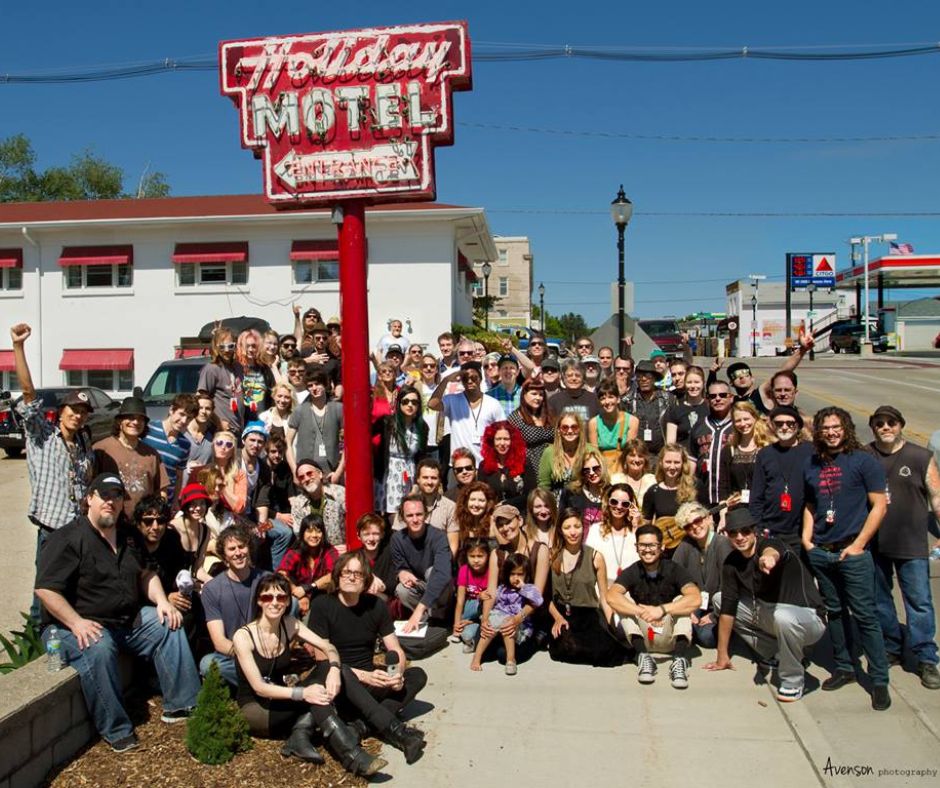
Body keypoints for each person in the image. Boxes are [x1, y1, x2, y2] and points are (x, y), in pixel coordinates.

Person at [35, 473, 200, 752]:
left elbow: (146, 574)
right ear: (89, 499)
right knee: (98, 647)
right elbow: (46, 589)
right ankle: (116, 729)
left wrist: (161, 601)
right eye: (104, 496)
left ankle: (182, 704)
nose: (111, 502)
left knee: (167, 623)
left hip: (125, 621)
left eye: (117, 496)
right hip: (69, 626)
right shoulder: (67, 538)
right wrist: (76, 623)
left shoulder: (128, 537)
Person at [233, 574, 387, 776]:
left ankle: (300, 738)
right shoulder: (243, 636)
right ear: (258, 601)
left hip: (282, 698)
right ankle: (353, 756)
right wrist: (303, 693)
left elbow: (327, 646)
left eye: (281, 598)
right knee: (315, 698)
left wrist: (333, 669)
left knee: (330, 672)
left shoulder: (289, 624)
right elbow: (259, 687)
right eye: (267, 597)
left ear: (288, 601)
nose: (274, 602)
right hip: (257, 708)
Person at [802, 406, 891, 710]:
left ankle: (879, 680)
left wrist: (859, 544)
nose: (830, 432)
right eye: (825, 427)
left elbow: (879, 506)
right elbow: (811, 504)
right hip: (822, 551)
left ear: (846, 428)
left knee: (865, 615)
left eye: (836, 427)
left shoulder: (864, 461)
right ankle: (844, 667)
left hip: (852, 552)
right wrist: (807, 539)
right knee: (835, 612)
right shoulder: (812, 463)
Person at [10, 323, 96, 623]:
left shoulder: (85, 447)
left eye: (83, 412)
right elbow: (29, 393)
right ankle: (37, 650)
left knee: (72, 591)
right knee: (45, 593)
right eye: (72, 409)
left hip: (78, 529)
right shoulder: (42, 436)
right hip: (51, 529)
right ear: (60, 412)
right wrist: (18, 347)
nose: (77, 414)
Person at [307, 552, 428, 764]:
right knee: (340, 670)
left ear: (366, 580)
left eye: (358, 573)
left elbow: (395, 649)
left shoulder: (376, 605)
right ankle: (399, 734)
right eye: (347, 572)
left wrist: (396, 674)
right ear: (337, 575)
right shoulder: (322, 605)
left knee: (416, 675)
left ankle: (360, 727)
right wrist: (364, 676)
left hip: (369, 680)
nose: (352, 577)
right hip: (339, 683)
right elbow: (322, 660)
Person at [705, 508, 826, 703]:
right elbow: (728, 608)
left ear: (754, 531)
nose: (740, 537)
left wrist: (769, 558)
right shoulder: (732, 562)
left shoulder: (770, 544)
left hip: (809, 618)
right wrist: (722, 655)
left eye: (745, 531)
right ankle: (777, 652)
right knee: (719, 599)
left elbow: (774, 551)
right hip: (771, 613)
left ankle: (792, 680)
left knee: (783, 618)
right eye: (733, 533)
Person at [865, 405, 940, 689]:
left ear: (900, 425)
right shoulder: (863, 454)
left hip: (911, 543)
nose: (885, 427)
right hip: (875, 542)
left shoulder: (921, 457)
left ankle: (925, 657)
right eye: (880, 423)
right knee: (881, 600)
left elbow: (937, 497)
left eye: (891, 423)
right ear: (873, 427)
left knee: (919, 602)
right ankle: (892, 646)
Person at [606, 524, 700, 689]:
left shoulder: (674, 569)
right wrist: (641, 611)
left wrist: (662, 610)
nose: (647, 550)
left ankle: (679, 661)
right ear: (636, 547)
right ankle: (644, 657)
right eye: (642, 545)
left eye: (652, 545)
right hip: (643, 637)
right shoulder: (632, 571)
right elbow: (611, 596)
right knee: (623, 599)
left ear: (662, 547)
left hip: (670, 636)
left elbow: (695, 598)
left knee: (682, 600)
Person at [548, 508, 624, 666]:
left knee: (604, 652)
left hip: (588, 615)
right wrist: (557, 617)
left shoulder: (595, 557)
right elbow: (546, 597)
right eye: (567, 528)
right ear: (560, 531)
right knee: (563, 650)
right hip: (563, 615)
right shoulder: (553, 556)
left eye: (577, 526)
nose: (573, 532)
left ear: (583, 528)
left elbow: (604, 598)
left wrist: (614, 628)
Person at [200, 523, 266, 686]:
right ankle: (260, 680)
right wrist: (247, 656)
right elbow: (219, 641)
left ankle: (256, 680)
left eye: (241, 547)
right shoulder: (212, 589)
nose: (238, 553)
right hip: (232, 654)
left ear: (248, 548)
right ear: (224, 555)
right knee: (208, 664)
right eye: (232, 549)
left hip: (264, 651)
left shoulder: (266, 580)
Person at [749, 406, 814, 550]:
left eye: (790, 423)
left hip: (802, 531)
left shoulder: (812, 451)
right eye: (779, 423)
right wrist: (758, 528)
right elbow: (757, 495)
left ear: (798, 426)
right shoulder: (765, 454)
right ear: (772, 426)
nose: (784, 427)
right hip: (771, 529)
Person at [94, 396, 168, 519]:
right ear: (120, 421)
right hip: (109, 521)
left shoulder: (151, 454)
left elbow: (162, 490)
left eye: (140, 419)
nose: (135, 422)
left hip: (142, 524)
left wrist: (156, 517)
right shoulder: (101, 449)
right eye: (130, 418)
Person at [469, 553, 543, 675]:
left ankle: (510, 659)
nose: (516, 578)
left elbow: (538, 600)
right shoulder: (502, 588)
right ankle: (477, 658)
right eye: (512, 574)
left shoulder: (528, 588)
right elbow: (491, 597)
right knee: (490, 625)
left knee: (508, 623)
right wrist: (480, 597)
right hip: (498, 617)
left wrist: (523, 587)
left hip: (518, 624)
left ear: (526, 575)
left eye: (520, 574)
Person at [671, 501, 732, 647]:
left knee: (707, 638)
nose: (695, 527)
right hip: (695, 603)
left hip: (718, 605)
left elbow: (730, 586)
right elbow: (674, 576)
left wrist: (714, 615)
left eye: (698, 520)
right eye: (688, 526)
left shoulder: (722, 544)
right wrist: (687, 611)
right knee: (686, 626)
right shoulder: (686, 544)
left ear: (708, 519)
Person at [392, 497, 453, 633]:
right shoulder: (397, 539)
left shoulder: (439, 537)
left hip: (441, 589)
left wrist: (420, 608)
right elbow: (399, 565)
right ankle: (428, 618)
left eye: (419, 514)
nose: (415, 519)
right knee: (401, 589)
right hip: (420, 587)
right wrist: (401, 572)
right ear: (403, 518)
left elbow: (443, 573)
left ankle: (437, 615)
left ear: (426, 515)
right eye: (410, 515)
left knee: (432, 572)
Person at [428, 361, 503, 463]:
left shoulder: (493, 404)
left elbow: (502, 432)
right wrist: (446, 380)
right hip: (459, 465)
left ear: (480, 379)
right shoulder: (452, 400)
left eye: (474, 378)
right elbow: (432, 404)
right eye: (465, 378)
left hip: (485, 465)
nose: (470, 381)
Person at [374, 384, 428, 517]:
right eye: (405, 401)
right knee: (388, 516)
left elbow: (421, 457)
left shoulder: (422, 427)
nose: (410, 405)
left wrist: (417, 483)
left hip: (409, 473)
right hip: (388, 473)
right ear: (399, 404)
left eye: (414, 402)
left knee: (406, 513)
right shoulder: (387, 422)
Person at [286, 369, 345, 483]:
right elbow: (287, 442)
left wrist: (339, 472)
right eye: (310, 385)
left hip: (331, 474)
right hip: (305, 475)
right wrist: (295, 471)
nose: (314, 388)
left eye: (317, 384)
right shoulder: (300, 411)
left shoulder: (338, 409)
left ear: (325, 384)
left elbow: (350, 443)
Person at [277, 514, 339, 616]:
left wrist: (308, 588)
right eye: (309, 531)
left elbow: (334, 575)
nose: (314, 535)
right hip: (297, 595)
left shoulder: (329, 550)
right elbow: (281, 574)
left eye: (318, 531)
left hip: (321, 595)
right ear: (303, 533)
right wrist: (300, 595)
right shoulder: (295, 551)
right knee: (293, 603)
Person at [392, 458, 459, 552]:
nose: (429, 482)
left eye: (434, 478)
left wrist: (444, 564)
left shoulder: (450, 507)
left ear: (440, 480)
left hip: (439, 560)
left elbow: (453, 544)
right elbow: (398, 541)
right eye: (425, 477)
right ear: (418, 479)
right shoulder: (406, 506)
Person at [142, 393, 196, 503]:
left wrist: (175, 501)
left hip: (166, 502)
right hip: (144, 497)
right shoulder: (148, 430)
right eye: (181, 414)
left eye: (189, 418)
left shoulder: (185, 445)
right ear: (171, 410)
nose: (184, 420)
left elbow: (179, 476)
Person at [717, 400, 773, 503]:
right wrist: (722, 514)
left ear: (755, 418)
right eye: (738, 420)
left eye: (746, 419)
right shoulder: (729, 450)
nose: (743, 424)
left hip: (763, 508)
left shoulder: (767, 448)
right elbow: (723, 487)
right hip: (736, 510)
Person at [691, 379, 735, 505]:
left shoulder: (739, 425)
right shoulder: (699, 426)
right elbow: (692, 461)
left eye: (722, 395)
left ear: (731, 398)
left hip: (732, 497)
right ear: (707, 399)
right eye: (713, 396)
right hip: (704, 497)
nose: (717, 399)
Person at [508, 377, 556, 494]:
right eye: (534, 394)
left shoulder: (549, 414)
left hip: (551, 468)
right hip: (529, 471)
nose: (538, 398)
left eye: (540, 395)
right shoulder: (515, 418)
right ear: (524, 394)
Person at [586, 483, 641, 582]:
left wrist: (635, 526)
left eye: (625, 504)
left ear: (631, 506)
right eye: (614, 502)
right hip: (601, 586)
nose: (619, 507)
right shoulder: (596, 530)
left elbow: (640, 561)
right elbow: (588, 563)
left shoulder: (636, 532)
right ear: (608, 502)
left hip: (629, 588)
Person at [289, 458, 347, 550]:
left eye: (309, 473)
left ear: (320, 474)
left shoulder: (340, 493)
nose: (306, 479)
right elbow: (299, 534)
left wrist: (349, 547)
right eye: (302, 477)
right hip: (313, 552)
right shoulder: (298, 504)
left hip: (341, 551)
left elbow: (355, 522)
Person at [537, 411, 596, 502]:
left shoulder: (590, 450)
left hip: (585, 502)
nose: (570, 431)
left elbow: (600, 479)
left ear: (580, 429)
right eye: (565, 427)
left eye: (574, 427)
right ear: (558, 430)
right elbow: (544, 486)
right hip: (557, 505)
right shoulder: (549, 452)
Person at [642, 443, 704, 524]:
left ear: (683, 464)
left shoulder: (696, 486)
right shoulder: (653, 491)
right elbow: (646, 524)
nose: (672, 467)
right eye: (668, 462)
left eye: (677, 462)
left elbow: (707, 518)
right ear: (661, 463)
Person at [197, 327, 245, 433]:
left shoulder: (238, 367)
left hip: (238, 429)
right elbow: (201, 400)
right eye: (222, 347)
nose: (227, 350)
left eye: (230, 346)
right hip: (220, 430)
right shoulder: (211, 369)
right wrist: (218, 422)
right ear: (216, 348)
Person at [621, 360, 671, 459]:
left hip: (661, 455)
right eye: (639, 376)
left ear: (654, 378)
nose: (643, 379)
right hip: (637, 455)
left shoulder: (668, 399)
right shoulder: (627, 401)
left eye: (647, 376)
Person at [589, 378, 637, 473]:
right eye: (603, 398)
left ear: (618, 399)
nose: (607, 402)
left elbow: (630, 452)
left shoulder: (632, 421)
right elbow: (594, 453)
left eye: (611, 397)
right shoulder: (594, 423)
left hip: (624, 468)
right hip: (602, 469)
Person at [452, 537, 490, 652]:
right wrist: (456, 626)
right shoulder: (464, 570)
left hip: (485, 609)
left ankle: (473, 634)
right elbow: (460, 601)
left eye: (480, 556)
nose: (476, 560)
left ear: (487, 556)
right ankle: (468, 626)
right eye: (472, 556)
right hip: (469, 609)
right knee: (465, 633)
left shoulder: (490, 571)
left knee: (468, 635)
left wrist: (480, 597)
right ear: (467, 556)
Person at [478, 420, 526, 507]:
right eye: (498, 439)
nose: (502, 443)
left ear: (513, 441)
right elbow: (481, 495)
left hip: (519, 513)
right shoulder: (483, 466)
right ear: (492, 441)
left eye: (506, 439)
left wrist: (505, 504)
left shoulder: (524, 462)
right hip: (492, 514)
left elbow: (530, 494)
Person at [561, 447, 610, 534]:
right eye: (587, 470)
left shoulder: (611, 492)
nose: (591, 473)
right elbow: (561, 520)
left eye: (596, 468)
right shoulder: (571, 493)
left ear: (603, 467)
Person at [665, 364, 708, 456]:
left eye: (697, 382)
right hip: (683, 459)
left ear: (703, 383)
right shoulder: (675, 409)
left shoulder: (710, 408)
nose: (693, 386)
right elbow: (670, 444)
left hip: (705, 459)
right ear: (685, 383)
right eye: (689, 382)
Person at [237, 329, 275, 419]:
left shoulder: (265, 368)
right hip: (241, 421)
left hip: (262, 420)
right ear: (241, 347)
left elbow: (274, 392)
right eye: (247, 346)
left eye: (254, 346)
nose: (250, 349)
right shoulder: (236, 368)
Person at [612, 439, 657, 509]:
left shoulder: (653, 481)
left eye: (640, 456)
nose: (637, 460)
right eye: (632, 455)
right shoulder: (615, 480)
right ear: (625, 458)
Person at [455, 481, 497, 549]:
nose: (476, 504)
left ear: (488, 503)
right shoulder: (458, 520)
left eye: (481, 500)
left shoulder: (493, 522)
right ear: (466, 501)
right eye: (472, 500)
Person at [185, 390, 217, 468]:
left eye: (208, 409)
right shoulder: (182, 432)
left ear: (212, 412)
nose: (203, 411)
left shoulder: (213, 435)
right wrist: (187, 466)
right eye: (200, 408)